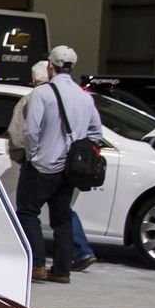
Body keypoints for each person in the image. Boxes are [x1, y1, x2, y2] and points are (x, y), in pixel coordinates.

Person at [19, 45, 103, 284]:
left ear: (50, 65)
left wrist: (34, 157)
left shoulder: (42, 93)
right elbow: (96, 132)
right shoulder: (84, 97)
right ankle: (62, 270)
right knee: (62, 217)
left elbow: (31, 131)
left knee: (27, 212)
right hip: (70, 169)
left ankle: (37, 265)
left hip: (43, 164)